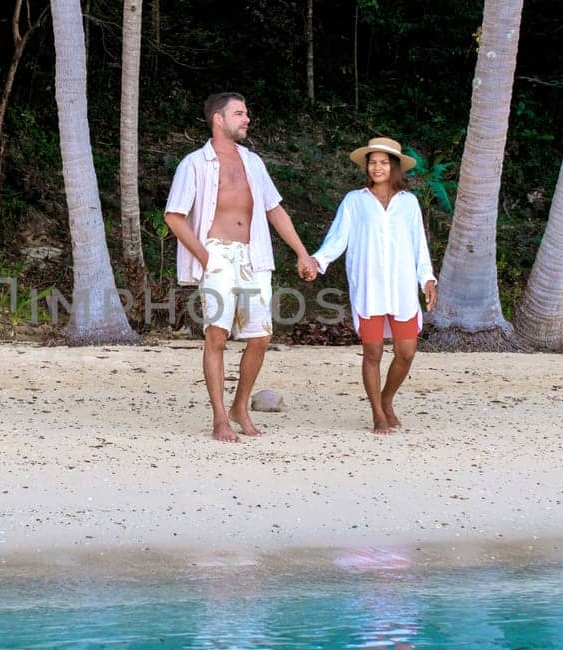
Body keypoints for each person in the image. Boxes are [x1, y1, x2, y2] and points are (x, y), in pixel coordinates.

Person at [165, 92, 318, 442]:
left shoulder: (253, 162)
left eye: (247, 113)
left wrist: (302, 253)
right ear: (219, 119)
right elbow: (173, 216)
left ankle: (240, 406)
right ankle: (220, 417)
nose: (246, 119)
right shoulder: (194, 163)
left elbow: (275, 209)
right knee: (216, 335)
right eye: (239, 113)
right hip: (216, 254)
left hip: (252, 256)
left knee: (261, 336)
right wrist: (205, 258)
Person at [306, 136, 437, 434]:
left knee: (406, 352)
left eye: (383, 162)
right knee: (373, 353)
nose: (377, 168)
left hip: (402, 289)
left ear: (394, 167)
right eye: (372, 162)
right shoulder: (355, 200)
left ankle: (387, 399)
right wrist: (316, 262)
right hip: (369, 288)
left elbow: (419, 246)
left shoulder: (409, 203)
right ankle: (377, 413)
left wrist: (427, 278)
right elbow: (337, 238)